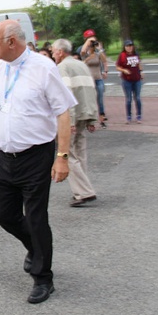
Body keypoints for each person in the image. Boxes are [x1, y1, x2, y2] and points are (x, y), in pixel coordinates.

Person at [0, 19, 77, 304]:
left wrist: (62, 157)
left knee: (37, 218)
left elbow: (63, 113)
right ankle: (35, 248)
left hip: (36, 156)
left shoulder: (43, 67)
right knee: (5, 215)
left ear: (12, 41)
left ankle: (43, 278)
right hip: (3, 156)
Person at [51, 39, 99, 207]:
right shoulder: (81, 65)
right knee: (80, 153)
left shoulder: (62, 67)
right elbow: (91, 90)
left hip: (73, 116)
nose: (52, 54)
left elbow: (65, 95)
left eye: (54, 51)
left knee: (68, 154)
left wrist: (68, 120)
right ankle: (81, 188)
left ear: (60, 52)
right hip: (85, 113)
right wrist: (93, 117)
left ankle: (84, 191)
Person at [81, 30, 109, 128]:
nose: (92, 41)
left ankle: (102, 119)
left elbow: (105, 61)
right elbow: (82, 53)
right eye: (90, 38)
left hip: (98, 78)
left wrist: (105, 71)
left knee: (100, 99)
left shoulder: (98, 52)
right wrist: (88, 42)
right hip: (89, 80)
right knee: (90, 100)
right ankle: (90, 121)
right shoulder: (84, 50)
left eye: (93, 37)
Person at [115, 40, 144, 124]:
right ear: (124, 47)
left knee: (137, 98)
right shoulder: (122, 55)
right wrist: (124, 70)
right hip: (127, 80)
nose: (129, 48)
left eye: (131, 46)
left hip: (137, 79)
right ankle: (129, 116)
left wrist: (141, 71)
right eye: (127, 46)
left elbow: (139, 63)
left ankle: (139, 115)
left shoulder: (136, 54)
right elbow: (117, 66)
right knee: (128, 99)